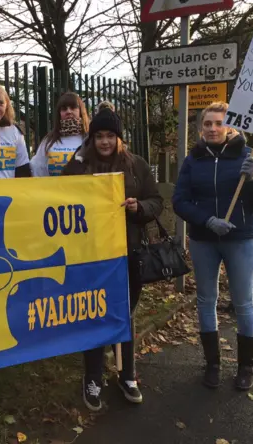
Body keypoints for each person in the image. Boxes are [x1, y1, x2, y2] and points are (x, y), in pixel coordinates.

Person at [62, 108, 163, 411]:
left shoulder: (137, 166)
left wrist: (138, 207)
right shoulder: (79, 167)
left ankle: (127, 374)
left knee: (125, 313)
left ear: (119, 138)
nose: (104, 142)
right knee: (95, 313)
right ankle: (92, 377)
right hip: (92, 255)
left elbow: (157, 201)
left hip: (129, 252)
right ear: (91, 138)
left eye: (109, 136)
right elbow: (60, 198)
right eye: (99, 136)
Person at [172, 101, 253, 391]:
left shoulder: (247, 156)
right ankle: (212, 364)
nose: (213, 128)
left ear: (229, 126)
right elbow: (180, 201)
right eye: (208, 124)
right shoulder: (193, 160)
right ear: (201, 128)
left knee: (243, 302)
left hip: (241, 239)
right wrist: (207, 221)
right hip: (204, 240)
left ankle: (245, 367)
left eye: (219, 123)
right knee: (206, 300)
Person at [30, 92, 89, 177]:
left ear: (80, 111)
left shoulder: (89, 139)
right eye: (64, 109)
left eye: (73, 108)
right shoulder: (49, 140)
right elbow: (37, 168)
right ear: (59, 113)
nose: (68, 111)